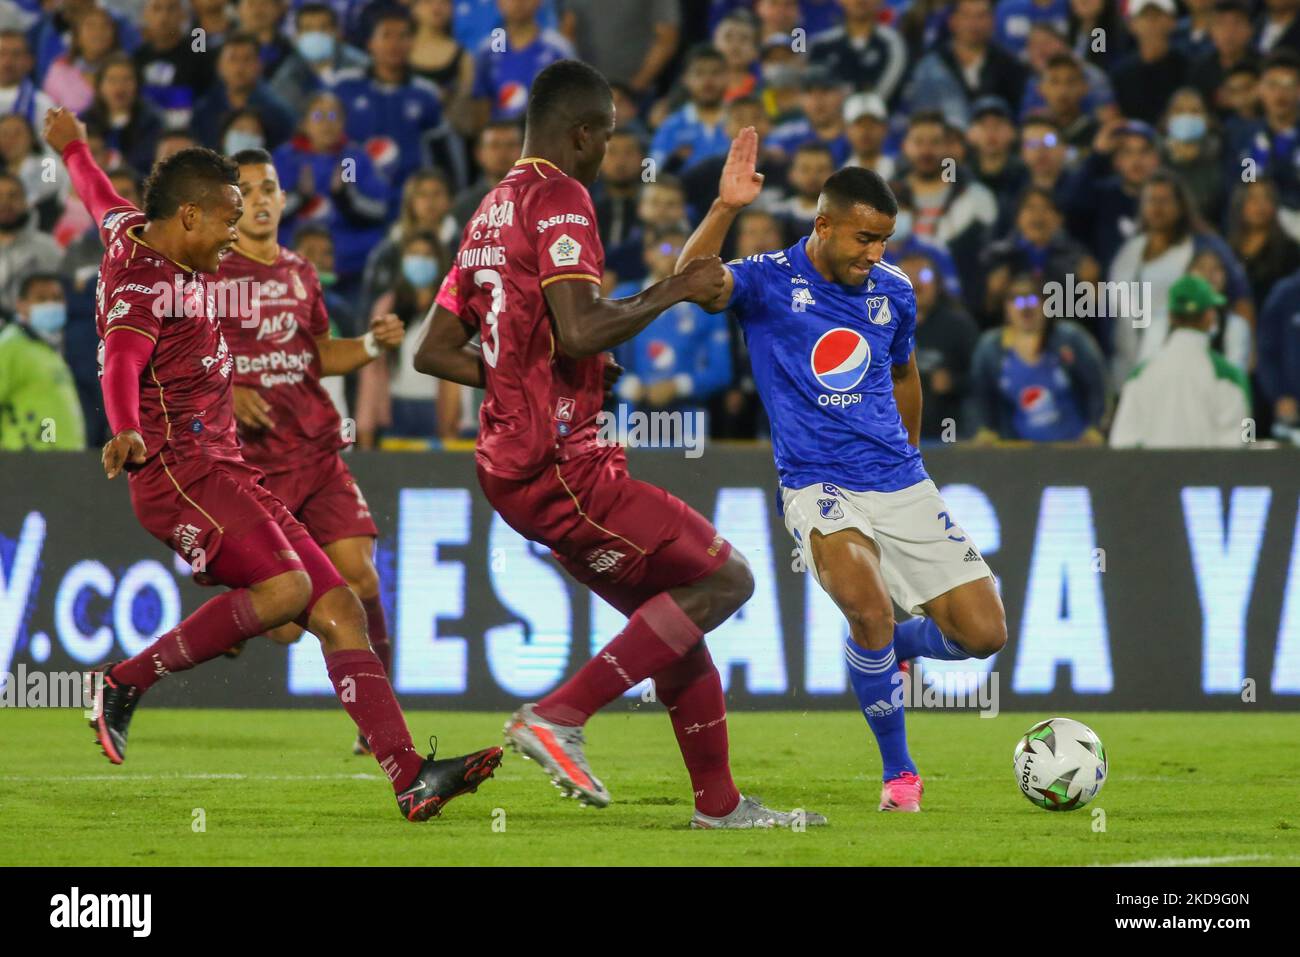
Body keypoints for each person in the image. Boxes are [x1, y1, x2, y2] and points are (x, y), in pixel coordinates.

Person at [42, 105, 500, 821]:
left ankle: (411, 776)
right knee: (287, 593)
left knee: (341, 607)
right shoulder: (146, 281)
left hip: (227, 468)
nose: (235, 234)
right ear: (189, 216)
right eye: (227, 218)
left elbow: (98, 191)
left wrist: (73, 147)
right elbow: (124, 359)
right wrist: (125, 427)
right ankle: (124, 681)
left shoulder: (130, 227)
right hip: (179, 473)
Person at [414, 60, 822, 829]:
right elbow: (578, 326)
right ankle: (559, 715)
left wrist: (526, 376)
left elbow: (434, 349)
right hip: (562, 466)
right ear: (582, 133)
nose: (609, 155)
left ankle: (721, 807)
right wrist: (671, 291)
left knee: (676, 625)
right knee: (728, 579)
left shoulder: (492, 207)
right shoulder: (562, 197)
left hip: (511, 466)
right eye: (605, 138)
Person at [680, 133, 1008, 811]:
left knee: (984, 635)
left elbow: (903, 372)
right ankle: (900, 774)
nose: (874, 254)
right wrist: (723, 207)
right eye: (863, 238)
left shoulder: (894, 291)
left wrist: (910, 461)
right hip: (816, 482)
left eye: (884, 239)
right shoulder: (768, 278)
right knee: (867, 606)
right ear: (823, 224)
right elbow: (691, 281)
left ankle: (893, 647)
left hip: (898, 478)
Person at [216, 148, 409, 757]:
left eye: (269, 186)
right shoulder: (211, 278)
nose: (261, 198)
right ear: (230, 204)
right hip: (255, 468)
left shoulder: (301, 272)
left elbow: (320, 355)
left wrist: (373, 348)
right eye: (246, 189)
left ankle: (377, 711)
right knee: (281, 630)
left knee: (361, 576)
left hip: (317, 453)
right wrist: (230, 387)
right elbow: (182, 363)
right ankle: (235, 602)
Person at [1109, 274, 1251, 447]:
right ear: (1209, 316)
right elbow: (1244, 439)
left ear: (1170, 316)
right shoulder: (1229, 376)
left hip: (1153, 473)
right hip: (1209, 473)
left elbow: (1122, 440)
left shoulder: (1140, 376)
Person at [969, 271, 1108, 442]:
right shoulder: (991, 349)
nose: (1025, 308)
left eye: (1032, 299)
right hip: (1020, 454)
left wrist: (1096, 428)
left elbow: (1097, 384)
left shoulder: (1070, 339)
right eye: (1017, 300)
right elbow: (980, 394)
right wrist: (986, 429)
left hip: (1075, 448)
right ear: (1006, 308)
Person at [0, 272, 86, 450]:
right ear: (21, 305)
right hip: (28, 462)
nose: (51, 304)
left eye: (56, 298)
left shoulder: (48, 348)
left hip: (61, 463)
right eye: (41, 299)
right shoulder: (11, 347)